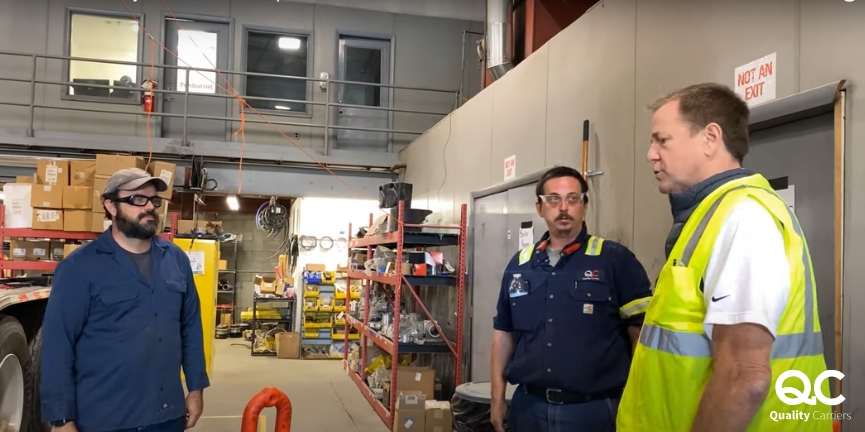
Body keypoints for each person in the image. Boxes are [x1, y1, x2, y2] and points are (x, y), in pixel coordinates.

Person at [617, 83, 834, 431]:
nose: (650, 154)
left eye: (662, 140)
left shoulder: (743, 217)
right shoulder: (712, 215)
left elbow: (745, 377)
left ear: (710, 138)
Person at [40, 168, 210, 432]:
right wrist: (61, 420)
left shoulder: (176, 259)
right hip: (105, 419)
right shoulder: (79, 268)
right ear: (111, 206)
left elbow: (190, 328)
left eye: (154, 200)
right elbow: (58, 345)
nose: (149, 207)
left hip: (166, 416)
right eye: (137, 199)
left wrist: (196, 388)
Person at [490, 166, 653, 432]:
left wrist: (639, 402)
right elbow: (503, 334)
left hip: (594, 412)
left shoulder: (615, 260)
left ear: (584, 206)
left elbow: (642, 337)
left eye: (573, 198)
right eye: (553, 199)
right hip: (528, 410)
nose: (563, 207)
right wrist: (497, 398)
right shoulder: (520, 265)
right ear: (540, 207)